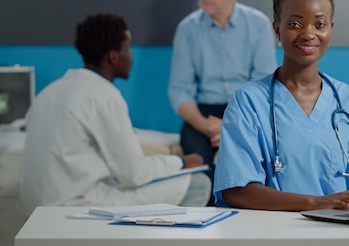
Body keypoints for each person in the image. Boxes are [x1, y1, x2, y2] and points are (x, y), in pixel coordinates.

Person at [213, 0, 349, 211]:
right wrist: (317, 202)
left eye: (319, 24)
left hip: (339, 232)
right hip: (269, 234)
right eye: (295, 23)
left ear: (330, 28)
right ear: (277, 29)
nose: (308, 34)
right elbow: (237, 191)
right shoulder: (249, 102)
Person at [19, 13, 210, 215]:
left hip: (36, 209)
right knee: (198, 183)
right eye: (128, 49)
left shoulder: (49, 93)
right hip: (77, 208)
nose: (132, 55)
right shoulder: (104, 96)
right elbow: (133, 173)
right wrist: (182, 161)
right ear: (113, 56)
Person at [168, 0, 277, 204]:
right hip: (201, 115)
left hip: (245, 112)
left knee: (251, 168)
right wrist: (208, 126)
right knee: (200, 171)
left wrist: (230, 126)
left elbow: (263, 87)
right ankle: (204, 226)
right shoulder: (188, 29)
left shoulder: (257, 24)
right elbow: (179, 90)